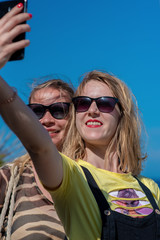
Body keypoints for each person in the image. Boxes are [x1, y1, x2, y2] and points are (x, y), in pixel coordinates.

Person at [0, 3, 160, 240]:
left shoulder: (150, 187)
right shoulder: (71, 175)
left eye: (104, 103)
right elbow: (40, 147)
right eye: (83, 103)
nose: (93, 110)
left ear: (122, 114)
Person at [0, 4, 74, 239]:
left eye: (59, 110)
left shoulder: (96, 176)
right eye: (36, 112)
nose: (47, 120)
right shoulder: (12, 178)